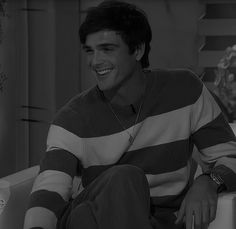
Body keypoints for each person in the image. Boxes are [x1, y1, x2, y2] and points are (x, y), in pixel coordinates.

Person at [24, 1, 236, 229]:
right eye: (89, 50)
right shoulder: (72, 119)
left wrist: (209, 182)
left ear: (137, 50)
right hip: (97, 215)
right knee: (123, 178)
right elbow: (49, 191)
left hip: (161, 222)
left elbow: (230, 155)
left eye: (107, 49)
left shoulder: (185, 91)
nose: (95, 62)